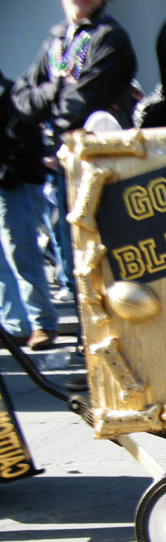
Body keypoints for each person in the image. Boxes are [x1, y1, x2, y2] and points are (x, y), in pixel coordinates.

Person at [13, 0, 138, 385]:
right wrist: (53, 91)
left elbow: (79, 104)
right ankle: (95, 356)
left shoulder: (110, 38)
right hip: (64, 171)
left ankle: (118, 358)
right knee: (78, 268)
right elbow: (21, 98)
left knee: (108, 266)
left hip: (102, 172)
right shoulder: (56, 39)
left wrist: (50, 103)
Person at [0, 69, 60, 350]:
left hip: (15, 185)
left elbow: (27, 141)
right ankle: (16, 324)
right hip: (10, 182)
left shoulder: (11, 94)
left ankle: (42, 323)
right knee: (5, 261)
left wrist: (7, 174)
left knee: (22, 255)